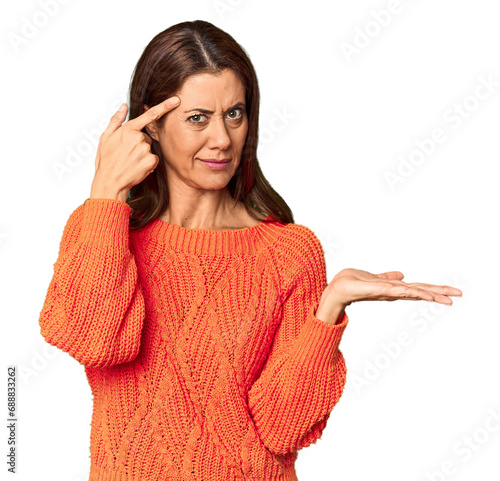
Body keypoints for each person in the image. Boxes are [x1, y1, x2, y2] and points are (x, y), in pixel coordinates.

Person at [38, 20, 462, 481]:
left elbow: (283, 429)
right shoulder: (105, 229)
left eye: (234, 114)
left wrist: (328, 311)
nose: (222, 138)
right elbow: (98, 343)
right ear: (153, 124)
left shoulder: (288, 251)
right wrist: (105, 192)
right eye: (198, 118)